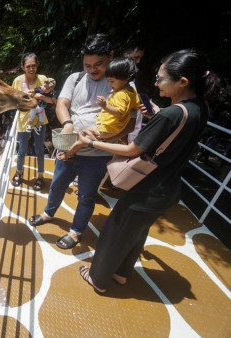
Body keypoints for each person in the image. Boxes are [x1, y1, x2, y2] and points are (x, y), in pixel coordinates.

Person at [75, 49, 221, 293]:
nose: (156, 83)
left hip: (145, 186)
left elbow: (133, 149)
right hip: (167, 189)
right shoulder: (198, 107)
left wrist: (89, 143)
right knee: (137, 232)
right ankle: (121, 274)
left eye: (161, 79)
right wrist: (156, 114)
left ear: (183, 82)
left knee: (116, 232)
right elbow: (175, 135)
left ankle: (98, 279)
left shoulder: (172, 114)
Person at [28, 33, 115, 249]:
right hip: (67, 148)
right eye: (88, 65)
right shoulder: (75, 78)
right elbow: (61, 104)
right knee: (57, 184)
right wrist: (67, 123)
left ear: (111, 57)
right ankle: (49, 213)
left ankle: (75, 232)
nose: (92, 70)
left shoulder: (120, 84)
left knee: (86, 196)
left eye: (99, 64)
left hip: (96, 154)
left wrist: (84, 139)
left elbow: (120, 122)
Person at [65, 57, 140, 157]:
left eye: (112, 81)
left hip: (107, 128)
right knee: (83, 134)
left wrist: (105, 106)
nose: (109, 85)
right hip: (111, 128)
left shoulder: (122, 94)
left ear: (125, 79)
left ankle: (69, 154)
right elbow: (135, 106)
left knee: (83, 137)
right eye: (108, 81)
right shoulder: (132, 91)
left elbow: (120, 112)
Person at [11, 53, 56, 191]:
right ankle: (19, 172)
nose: (31, 69)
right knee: (22, 149)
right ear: (23, 67)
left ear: (37, 65)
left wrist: (38, 96)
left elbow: (52, 99)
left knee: (39, 150)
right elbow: (15, 101)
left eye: (34, 65)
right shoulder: (18, 81)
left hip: (40, 121)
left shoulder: (43, 79)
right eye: (28, 66)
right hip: (24, 120)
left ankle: (40, 176)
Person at [123, 40, 147, 144]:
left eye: (140, 58)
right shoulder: (113, 70)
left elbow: (141, 93)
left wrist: (149, 109)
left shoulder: (137, 73)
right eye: (136, 57)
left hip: (133, 111)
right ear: (126, 54)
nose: (138, 61)